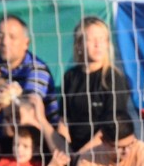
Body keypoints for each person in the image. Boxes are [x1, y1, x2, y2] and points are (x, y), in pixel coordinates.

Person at [0, 14, 62, 154]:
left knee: (12, 118)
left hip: (31, 140)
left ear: (26, 43)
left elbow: (26, 111)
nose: (4, 42)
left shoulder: (36, 68)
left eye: (12, 37)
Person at [58, 16, 138, 158]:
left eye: (102, 39)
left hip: (103, 152)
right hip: (72, 153)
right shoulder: (70, 77)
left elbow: (111, 127)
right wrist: (66, 150)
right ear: (79, 45)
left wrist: (81, 155)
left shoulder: (113, 78)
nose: (98, 44)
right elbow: (64, 121)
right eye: (91, 39)